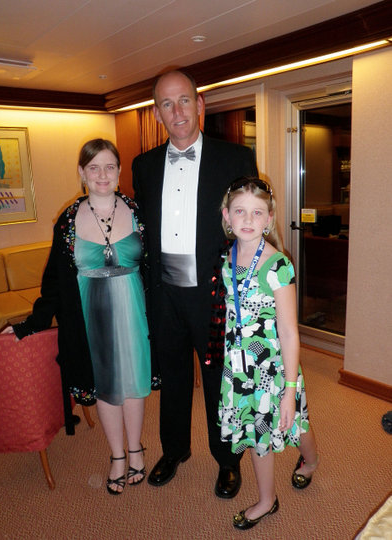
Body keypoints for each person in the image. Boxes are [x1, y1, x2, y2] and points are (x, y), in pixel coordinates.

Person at [132, 69, 257, 498]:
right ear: (157, 113)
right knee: (172, 375)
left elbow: (251, 223)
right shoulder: (144, 165)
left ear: (199, 104)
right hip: (164, 291)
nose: (177, 111)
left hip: (214, 291)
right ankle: (174, 450)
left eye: (184, 100)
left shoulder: (235, 157)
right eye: (167, 104)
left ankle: (227, 460)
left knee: (219, 377)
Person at [2, 139, 151, 496]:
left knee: (135, 382)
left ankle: (135, 449)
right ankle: (118, 456)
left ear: (119, 171)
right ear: (82, 172)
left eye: (110, 167)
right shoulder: (68, 220)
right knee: (105, 387)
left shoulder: (138, 211)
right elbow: (54, 281)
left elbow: (156, 266)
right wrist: (30, 324)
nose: (102, 175)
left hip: (134, 310)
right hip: (89, 316)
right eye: (94, 167)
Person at [208, 176, 319, 530]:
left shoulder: (278, 265)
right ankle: (267, 500)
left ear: (269, 219)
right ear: (226, 215)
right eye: (240, 211)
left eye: (257, 213)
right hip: (241, 367)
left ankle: (311, 461)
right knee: (257, 434)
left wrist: (289, 390)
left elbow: (288, 332)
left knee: (294, 423)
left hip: (274, 368)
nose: (247, 219)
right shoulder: (227, 257)